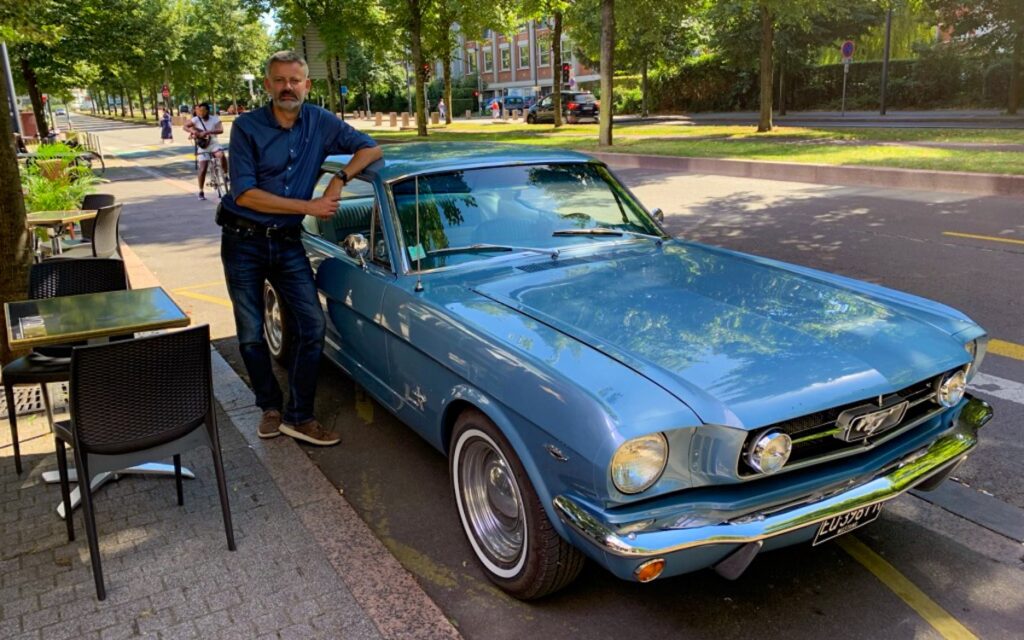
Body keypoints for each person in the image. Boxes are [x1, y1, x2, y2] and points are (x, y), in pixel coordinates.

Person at [219, 50, 382, 446]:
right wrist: (309, 206)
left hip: (287, 242)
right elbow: (246, 194)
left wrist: (339, 179)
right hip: (244, 241)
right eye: (280, 80)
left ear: (307, 85)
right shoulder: (246, 127)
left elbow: (371, 148)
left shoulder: (321, 122)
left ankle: (299, 416)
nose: (288, 87)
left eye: (295, 80)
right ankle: (270, 407)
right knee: (251, 334)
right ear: (267, 85)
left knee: (312, 325)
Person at [183, 102, 227, 200]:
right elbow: (185, 127)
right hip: (203, 146)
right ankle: (201, 191)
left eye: (202, 111)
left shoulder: (215, 119)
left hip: (214, 143)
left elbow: (221, 130)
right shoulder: (195, 119)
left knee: (221, 155)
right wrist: (193, 132)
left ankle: (225, 174)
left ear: (207, 110)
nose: (200, 113)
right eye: (199, 111)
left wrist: (208, 132)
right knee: (202, 168)